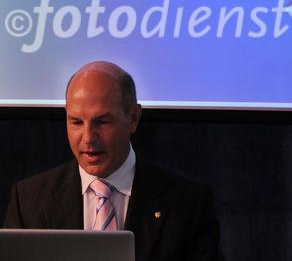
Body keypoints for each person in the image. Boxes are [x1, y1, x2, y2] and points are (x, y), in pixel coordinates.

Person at [4, 61, 222, 261]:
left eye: (102, 121)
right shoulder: (28, 201)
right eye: (76, 122)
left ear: (133, 118)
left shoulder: (188, 203)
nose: (88, 138)